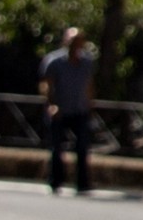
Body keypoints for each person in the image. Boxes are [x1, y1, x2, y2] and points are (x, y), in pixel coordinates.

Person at [38, 24, 99, 197]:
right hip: (60, 110)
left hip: (79, 109)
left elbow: (89, 85)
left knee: (82, 148)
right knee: (57, 148)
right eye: (72, 41)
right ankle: (55, 181)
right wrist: (51, 104)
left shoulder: (87, 62)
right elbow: (46, 85)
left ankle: (82, 183)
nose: (75, 44)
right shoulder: (54, 61)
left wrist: (91, 104)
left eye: (78, 41)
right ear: (66, 41)